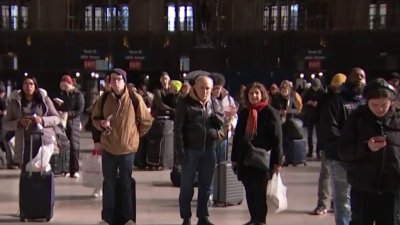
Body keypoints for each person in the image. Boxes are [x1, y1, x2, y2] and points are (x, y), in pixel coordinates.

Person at [92, 68, 153, 225]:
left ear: (124, 81)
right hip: (109, 148)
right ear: (109, 82)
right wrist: (101, 124)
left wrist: (134, 136)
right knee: (109, 184)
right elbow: (94, 118)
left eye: (119, 79)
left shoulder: (134, 98)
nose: (116, 82)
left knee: (126, 184)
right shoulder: (104, 98)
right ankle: (107, 218)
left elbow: (146, 121)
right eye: (113, 79)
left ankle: (128, 218)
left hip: (127, 150)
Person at [338, 78, 400, 225]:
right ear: (367, 102)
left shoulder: (397, 119)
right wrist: (366, 147)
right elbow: (343, 151)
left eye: (384, 104)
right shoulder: (357, 119)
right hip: (363, 187)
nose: (380, 109)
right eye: (375, 105)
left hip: (392, 187)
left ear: (391, 101)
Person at [319, 67, 367, 225]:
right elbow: (330, 129)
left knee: (361, 201)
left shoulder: (367, 102)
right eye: (355, 76)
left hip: (363, 158)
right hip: (340, 158)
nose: (359, 78)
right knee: (343, 201)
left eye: (362, 76)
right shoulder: (336, 100)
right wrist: (349, 147)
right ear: (348, 79)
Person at [175, 75, 224, 225]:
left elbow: (222, 125)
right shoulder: (185, 104)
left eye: (208, 88)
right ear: (195, 87)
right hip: (190, 150)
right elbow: (178, 130)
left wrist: (216, 132)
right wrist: (180, 153)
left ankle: (203, 216)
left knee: (206, 186)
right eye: (202, 87)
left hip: (209, 150)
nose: (205, 91)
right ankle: (186, 217)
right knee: (186, 187)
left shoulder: (215, 104)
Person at [231, 82, 283, 225]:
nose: (254, 96)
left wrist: (277, 162)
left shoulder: (270, 112)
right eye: (251, 93)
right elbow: (237, 137)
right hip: (245, 158)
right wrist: (234, 158)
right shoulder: (244, 112)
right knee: (249, 191)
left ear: (262, 95)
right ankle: (253, 218)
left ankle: (261, 220)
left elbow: (277, 139)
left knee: (260, 193)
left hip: (262, 160)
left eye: (257, 93)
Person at [3, 75, 60, 170]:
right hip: (24, 142)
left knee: (41, 171)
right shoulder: (14, 102)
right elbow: (5, 124)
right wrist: (19, 122)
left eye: (31, 84)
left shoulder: (44, 100)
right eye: (25, 83)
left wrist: (42, 120)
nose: (28, 86)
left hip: (43, 140)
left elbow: (56, 118)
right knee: (26, 172)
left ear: (35, 86)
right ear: (21, 86)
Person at [312, 73, 347, 215]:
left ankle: (332, 202)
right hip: (331, 144)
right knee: (327, 173)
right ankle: (323, 203)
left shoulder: (347, 100)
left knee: (337, 176)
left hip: (340, 144)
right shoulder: (327, 100)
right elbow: (321, 123)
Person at [55, 75, 85, 178]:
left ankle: (74, 169)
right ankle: (65, 169)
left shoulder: (78, 95)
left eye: (65, 85)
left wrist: (68, 114)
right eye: (62, 86)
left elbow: (80, 110)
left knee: (74, 146)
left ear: (70, 84)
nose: (63, 88)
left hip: (73, 123)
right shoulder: (62, 95)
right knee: (63, 146)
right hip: (62, 124)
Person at [303, 78, 326, 159]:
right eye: (314, 87)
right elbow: (304, 101)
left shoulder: (322, 92)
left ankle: (318, 151)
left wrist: (317, 104)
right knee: (309, 134)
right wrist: (308, 103)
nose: (316, 88)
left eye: (317, 87)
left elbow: (325, 103)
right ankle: (310, 151)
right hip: (310, 115)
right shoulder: (308, 92)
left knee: (319, 135)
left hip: (319, 116)